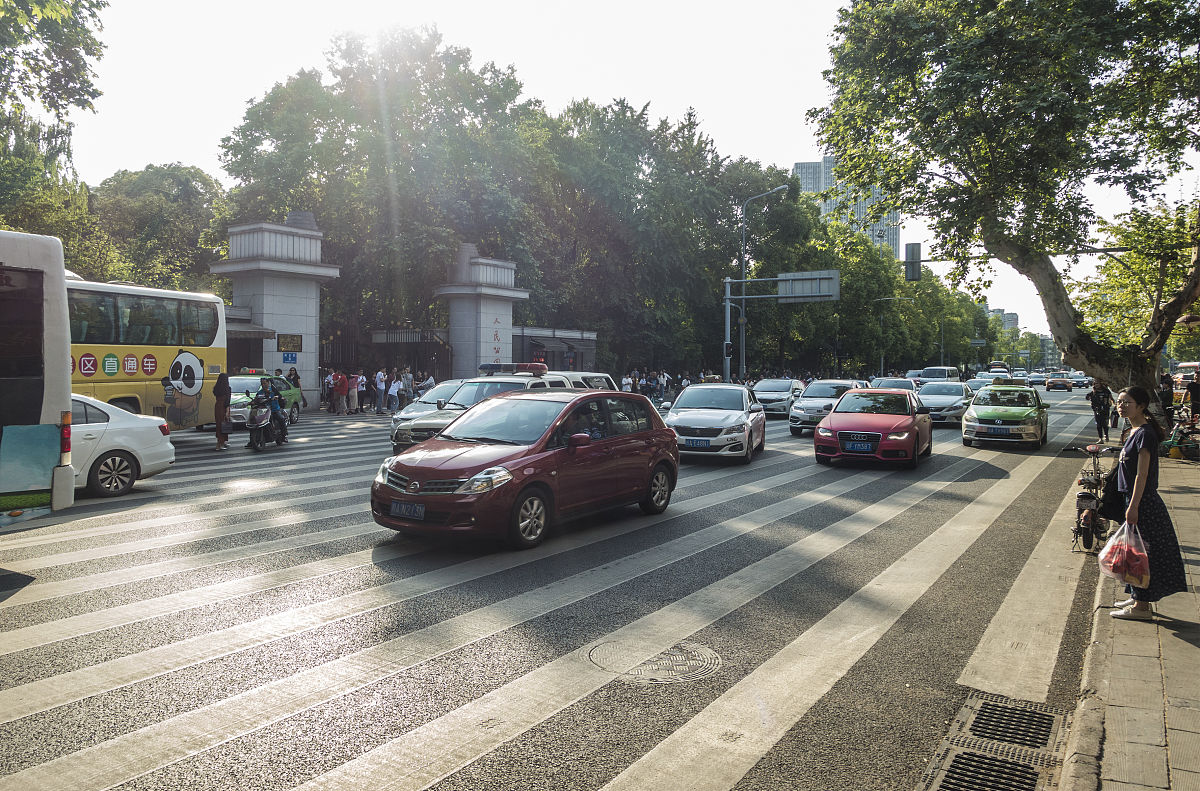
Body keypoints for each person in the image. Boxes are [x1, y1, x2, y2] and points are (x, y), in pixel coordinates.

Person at [1109, 386, 1187, 620]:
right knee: (1134, 552)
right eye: (1119, 402)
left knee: (1141, 554)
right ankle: (1137, 596)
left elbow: (1141, 476)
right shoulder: (1133, 431)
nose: (1121, 406)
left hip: (1143, 502)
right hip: (1133, 499)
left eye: (1127, 402)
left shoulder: (1145, 434)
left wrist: (1133, 507)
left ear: (1141, 406)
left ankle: (1141, 608)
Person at [246, 376, 288, 446]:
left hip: (274, 410)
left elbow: (279, 396)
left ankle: (284, 436)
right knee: (253, 423)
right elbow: (256, 400)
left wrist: (276, 397)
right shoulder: (260, 393)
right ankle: (251, 441)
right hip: (263, 411)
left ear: (268, 383)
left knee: (281, 419)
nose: (263, 385)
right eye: (262, 384)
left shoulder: (273, 390)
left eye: (265, 383)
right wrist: (251, 402)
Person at [212, 373, 232, 450]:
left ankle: (221, 441)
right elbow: (227, 401)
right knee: (224, 423)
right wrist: (227, 411)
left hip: (218, 406)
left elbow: (215, 394)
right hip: (224, 406)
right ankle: (221, 443)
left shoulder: (216, 388)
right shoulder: (227, 388)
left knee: (219, 424)